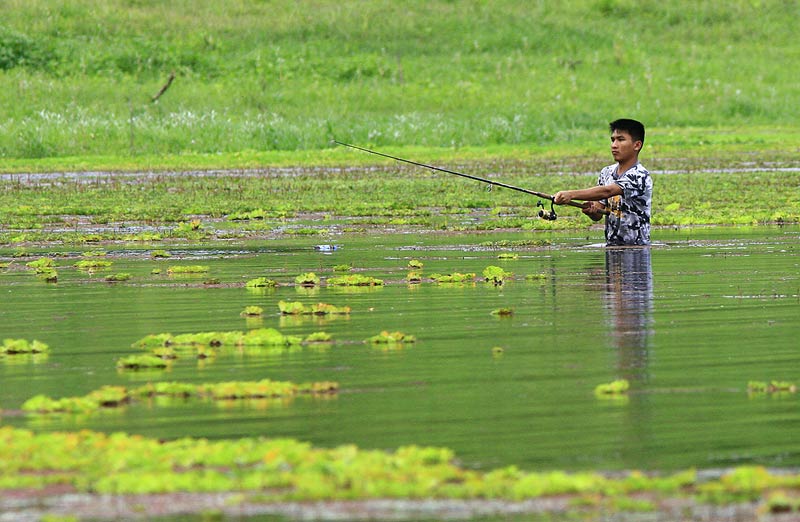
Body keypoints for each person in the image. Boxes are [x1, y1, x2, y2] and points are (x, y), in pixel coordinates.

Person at [553, 119, 652, 246]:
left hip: (638, 250)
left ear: (637, 145)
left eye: (621, 140)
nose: (614, 145)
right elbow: (598, 213)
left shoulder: (640, 175)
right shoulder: (606, 172)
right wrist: (592, 211)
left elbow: (607, 191)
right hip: (611, 248)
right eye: (613, 140)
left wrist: (571, 194)